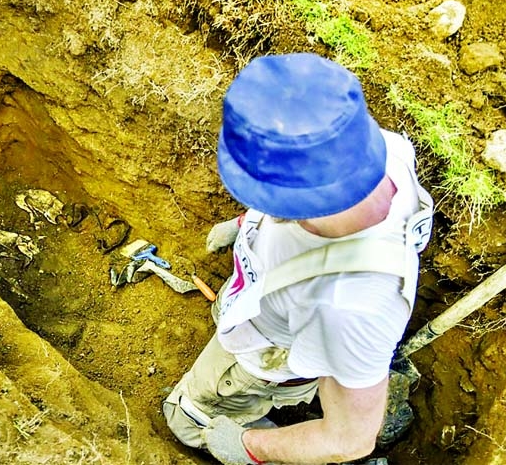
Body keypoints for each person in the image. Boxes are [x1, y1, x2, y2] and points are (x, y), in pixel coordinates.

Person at [162, 53, 433, 465]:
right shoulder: (382, 150)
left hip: (264, 356)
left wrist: (251, 448)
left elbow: (351, 438)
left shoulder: (350, 306)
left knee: (183, 419)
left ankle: (255, 421)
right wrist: (245, 225)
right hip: (268, 298)